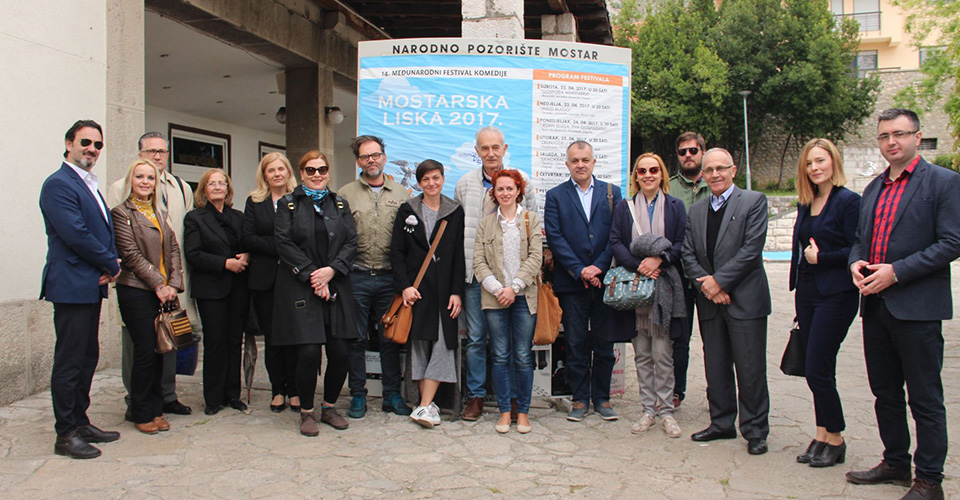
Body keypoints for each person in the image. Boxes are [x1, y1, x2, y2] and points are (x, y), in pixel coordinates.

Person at [846, 108, 960, 500]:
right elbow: (860, 239)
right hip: (876, 307)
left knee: (925, 398)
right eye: (884, 136)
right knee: (885, 393)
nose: (891, 142)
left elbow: (952, 242)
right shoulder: (874, 188)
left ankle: (929, 480)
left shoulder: (943, 182)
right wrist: (855, 262)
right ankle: (895, 462)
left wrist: (897, 272)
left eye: (899, 134)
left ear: (917, 136)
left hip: (917, 308)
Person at [680, 148, 771, 455]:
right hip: (710, 300)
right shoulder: (696, 210)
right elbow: (687, 253)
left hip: (745, 300)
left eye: (721, 168)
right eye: (709, 170)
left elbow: (751, 250)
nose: (715, 174)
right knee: (715, 365)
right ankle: (721, 423)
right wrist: (709, 287)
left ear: (734, 170)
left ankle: (755, 430)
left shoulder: (754, 201)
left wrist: (719, 281)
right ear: (703, 175)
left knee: (750, 368)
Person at [40, 119, 122, 459]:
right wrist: (111, 263)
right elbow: (76, 234)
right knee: (70, 360)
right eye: (86, 142)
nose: (92, 149)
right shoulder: (58, 184)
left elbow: (101, 230)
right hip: (71, 284)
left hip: (89, 283)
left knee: (87, 356)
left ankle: (79, 420)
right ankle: (66, 433)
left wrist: (107, 263)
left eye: (98, 145)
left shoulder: (88, 184)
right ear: (69, 143)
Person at [107, 132, 194, 418]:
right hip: (139, 284)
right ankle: (136, 400)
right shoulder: (120, 189)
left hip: (170, 286)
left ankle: (166, 395)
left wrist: (174, 283)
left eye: (162, 151)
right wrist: (157, 283)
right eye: (150, 151)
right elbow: (123, 244)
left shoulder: (181, 188)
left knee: (169, 337)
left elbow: (177, 241)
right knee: (140, 345)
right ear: (139, 155)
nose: (157, 156)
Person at [273, 151, 359, 436]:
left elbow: (351, 241)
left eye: (322, 169)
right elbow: (283, 242)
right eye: (311, 170)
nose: (317, 174)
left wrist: (331, 271)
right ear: (302, 173)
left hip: (336, 283)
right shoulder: (288, 204)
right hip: (302, 286)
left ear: (328, 172)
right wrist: (314, 275)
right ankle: (307, 411)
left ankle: (329, 407)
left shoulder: (340, 203)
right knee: (309, 353)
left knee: (341, 351)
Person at [455, 126, 537, 421]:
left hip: (515, 282)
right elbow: (459, 230)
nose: (490, 153)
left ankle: (514, 400)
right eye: (484, 148)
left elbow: (534, 226)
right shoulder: (465, 184)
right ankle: (476, 396)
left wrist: (517, 283)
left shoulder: (522, 181)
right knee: (476, 339)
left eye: (495, 147)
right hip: (476, 276)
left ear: (505, 149)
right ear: (477, 151)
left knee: (515, 345)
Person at [788, 139, 861, 467]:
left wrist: (823, 258)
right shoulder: (807, 202)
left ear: (834, 162)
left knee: (819, 367)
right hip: (807, 293)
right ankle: (821, 435)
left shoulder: (849, 202)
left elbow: (857, 249)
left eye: (820, 161)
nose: (815, 168)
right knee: (815, 368)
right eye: (809, 163)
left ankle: (837, 439)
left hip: (837, 294)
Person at [543, 140, 622, 422]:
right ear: (567, 164)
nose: (580, 165)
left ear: (593, 162)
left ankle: (602, 398)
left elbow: (617, 234)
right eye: (575, 160)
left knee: (604, 344)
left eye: (585, 160)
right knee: (575, 343)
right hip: (572, 283)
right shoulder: (555, 195)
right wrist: (580, 270)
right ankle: (579, 399)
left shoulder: (612, 193)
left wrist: (598, 267)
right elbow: (555, 237)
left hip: (604, 282)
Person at [609, 153, 687, 438]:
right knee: (642, 353)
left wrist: (658, 262)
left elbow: (680, 243)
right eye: (642, 171)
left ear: (662, 173)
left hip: (664, 288)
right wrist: (638, 265)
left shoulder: (675, 206)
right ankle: (647, 410)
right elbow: (616, 241)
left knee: (663, 353)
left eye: (653, 169)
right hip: (635, 290)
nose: (648, 175)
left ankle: (666, 411)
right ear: (636, 177)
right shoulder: (624, 207)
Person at [339, 135, 412, 419]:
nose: (371, 160)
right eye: (365, 156)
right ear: (358, 161)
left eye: (376, 155)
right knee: (356, 339)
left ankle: (391, 395)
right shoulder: (345, 194)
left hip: (389, 279)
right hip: (356, 277)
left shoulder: (402, 194)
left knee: (389, 339)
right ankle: (358, 394)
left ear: (384, 157)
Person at [392, 160, 465, 428]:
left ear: (443, 179)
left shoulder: (454, 210)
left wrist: (457, 292)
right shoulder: (407, 209)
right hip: (417, 290)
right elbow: (397, 251)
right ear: (419, 182)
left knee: (443, 345)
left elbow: (458, 254)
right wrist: (405, 286)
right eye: (426, 179)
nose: (431, 183)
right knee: (419, 347)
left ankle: (424, 405)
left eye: (436, 178)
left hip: (444, 290)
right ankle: (427, 406)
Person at [473, 169, 542, 434]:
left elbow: (536, 258)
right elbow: (479, 261)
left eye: (510, 188)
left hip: (524, 298)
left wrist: (514, 288)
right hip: (494, 299)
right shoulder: (486, 223)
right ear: (494, 192)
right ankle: (504, 412)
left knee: (523, 356)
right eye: (500, 189)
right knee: (500, 355)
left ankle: (522, 413)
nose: (505, 193)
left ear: (518, 191)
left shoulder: (531, 219)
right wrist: (498, 289)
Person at [183, 168, 249, 416]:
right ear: (204, 189)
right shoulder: (195, 218)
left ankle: (233, 394)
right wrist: (224, 264)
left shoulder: (238, 217)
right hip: (211, 289)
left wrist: (246, 255)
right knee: (215, 343)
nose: (218, 187)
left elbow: (247, 243)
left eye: (222, 183)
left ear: (228, 189)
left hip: (238, 288)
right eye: (212, 183)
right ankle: (213, 398)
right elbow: (193, 254)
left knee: (234, 341)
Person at [242, 152, 299, 412]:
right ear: (264, 175)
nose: (277, 174)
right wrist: (281, 246)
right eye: (271, 170)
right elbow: (247, 238)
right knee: (273, 339)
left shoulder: (301, 200)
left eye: (281, 169)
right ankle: (278, 390)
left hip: (295, 278)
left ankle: (295, 390)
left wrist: (283, 247)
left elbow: (306, 237)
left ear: (288, 172)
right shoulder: (255, 202)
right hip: (265, 280)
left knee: (295, 337)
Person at [668, 131, 710, 408]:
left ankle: (717, 394)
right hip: (679, 277)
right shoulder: (669, 187)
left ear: (702, 152)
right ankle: (676, 392)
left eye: (693, 151)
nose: (688, 156)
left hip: (710, 278)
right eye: (683, 152)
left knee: (715, 341)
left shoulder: (715, 183)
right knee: (679, 340)